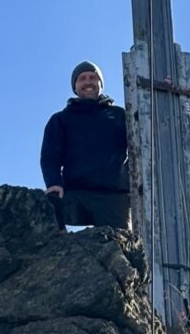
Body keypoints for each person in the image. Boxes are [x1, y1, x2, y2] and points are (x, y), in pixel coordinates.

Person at [40, 61, 131, 230]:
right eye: (82, 78)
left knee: (122, 248)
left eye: (93, 77)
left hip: (113, 196)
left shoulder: (120, 116)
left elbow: (143, 143)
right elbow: (50, 156)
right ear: (75, 86)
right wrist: (54, 182)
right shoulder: (61, 119)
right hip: (75, 192)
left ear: (100, 84)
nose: (88, 82)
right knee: (46, 207)